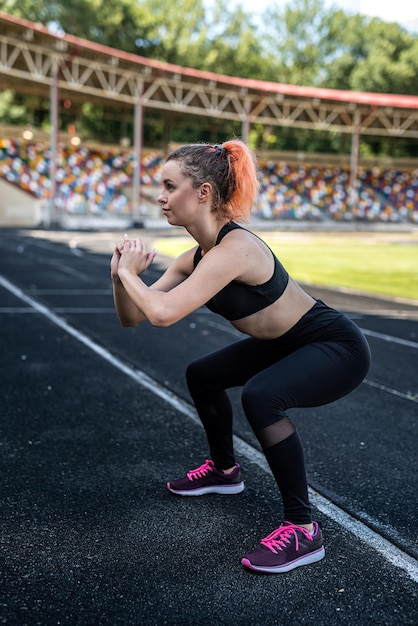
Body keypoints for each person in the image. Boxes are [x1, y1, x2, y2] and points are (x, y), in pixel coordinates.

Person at [110, 140, 371, 574]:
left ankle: (303, 530)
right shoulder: (193, 258)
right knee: (203, 375)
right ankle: (224, 470)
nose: (159, 196)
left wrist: (127, 274)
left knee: (262, 395)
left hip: (333, 345)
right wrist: (119, 277)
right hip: (283, 342)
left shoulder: (237, 249)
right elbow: (132, 318)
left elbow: (161, 313)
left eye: (169, 186)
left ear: (204, 193)